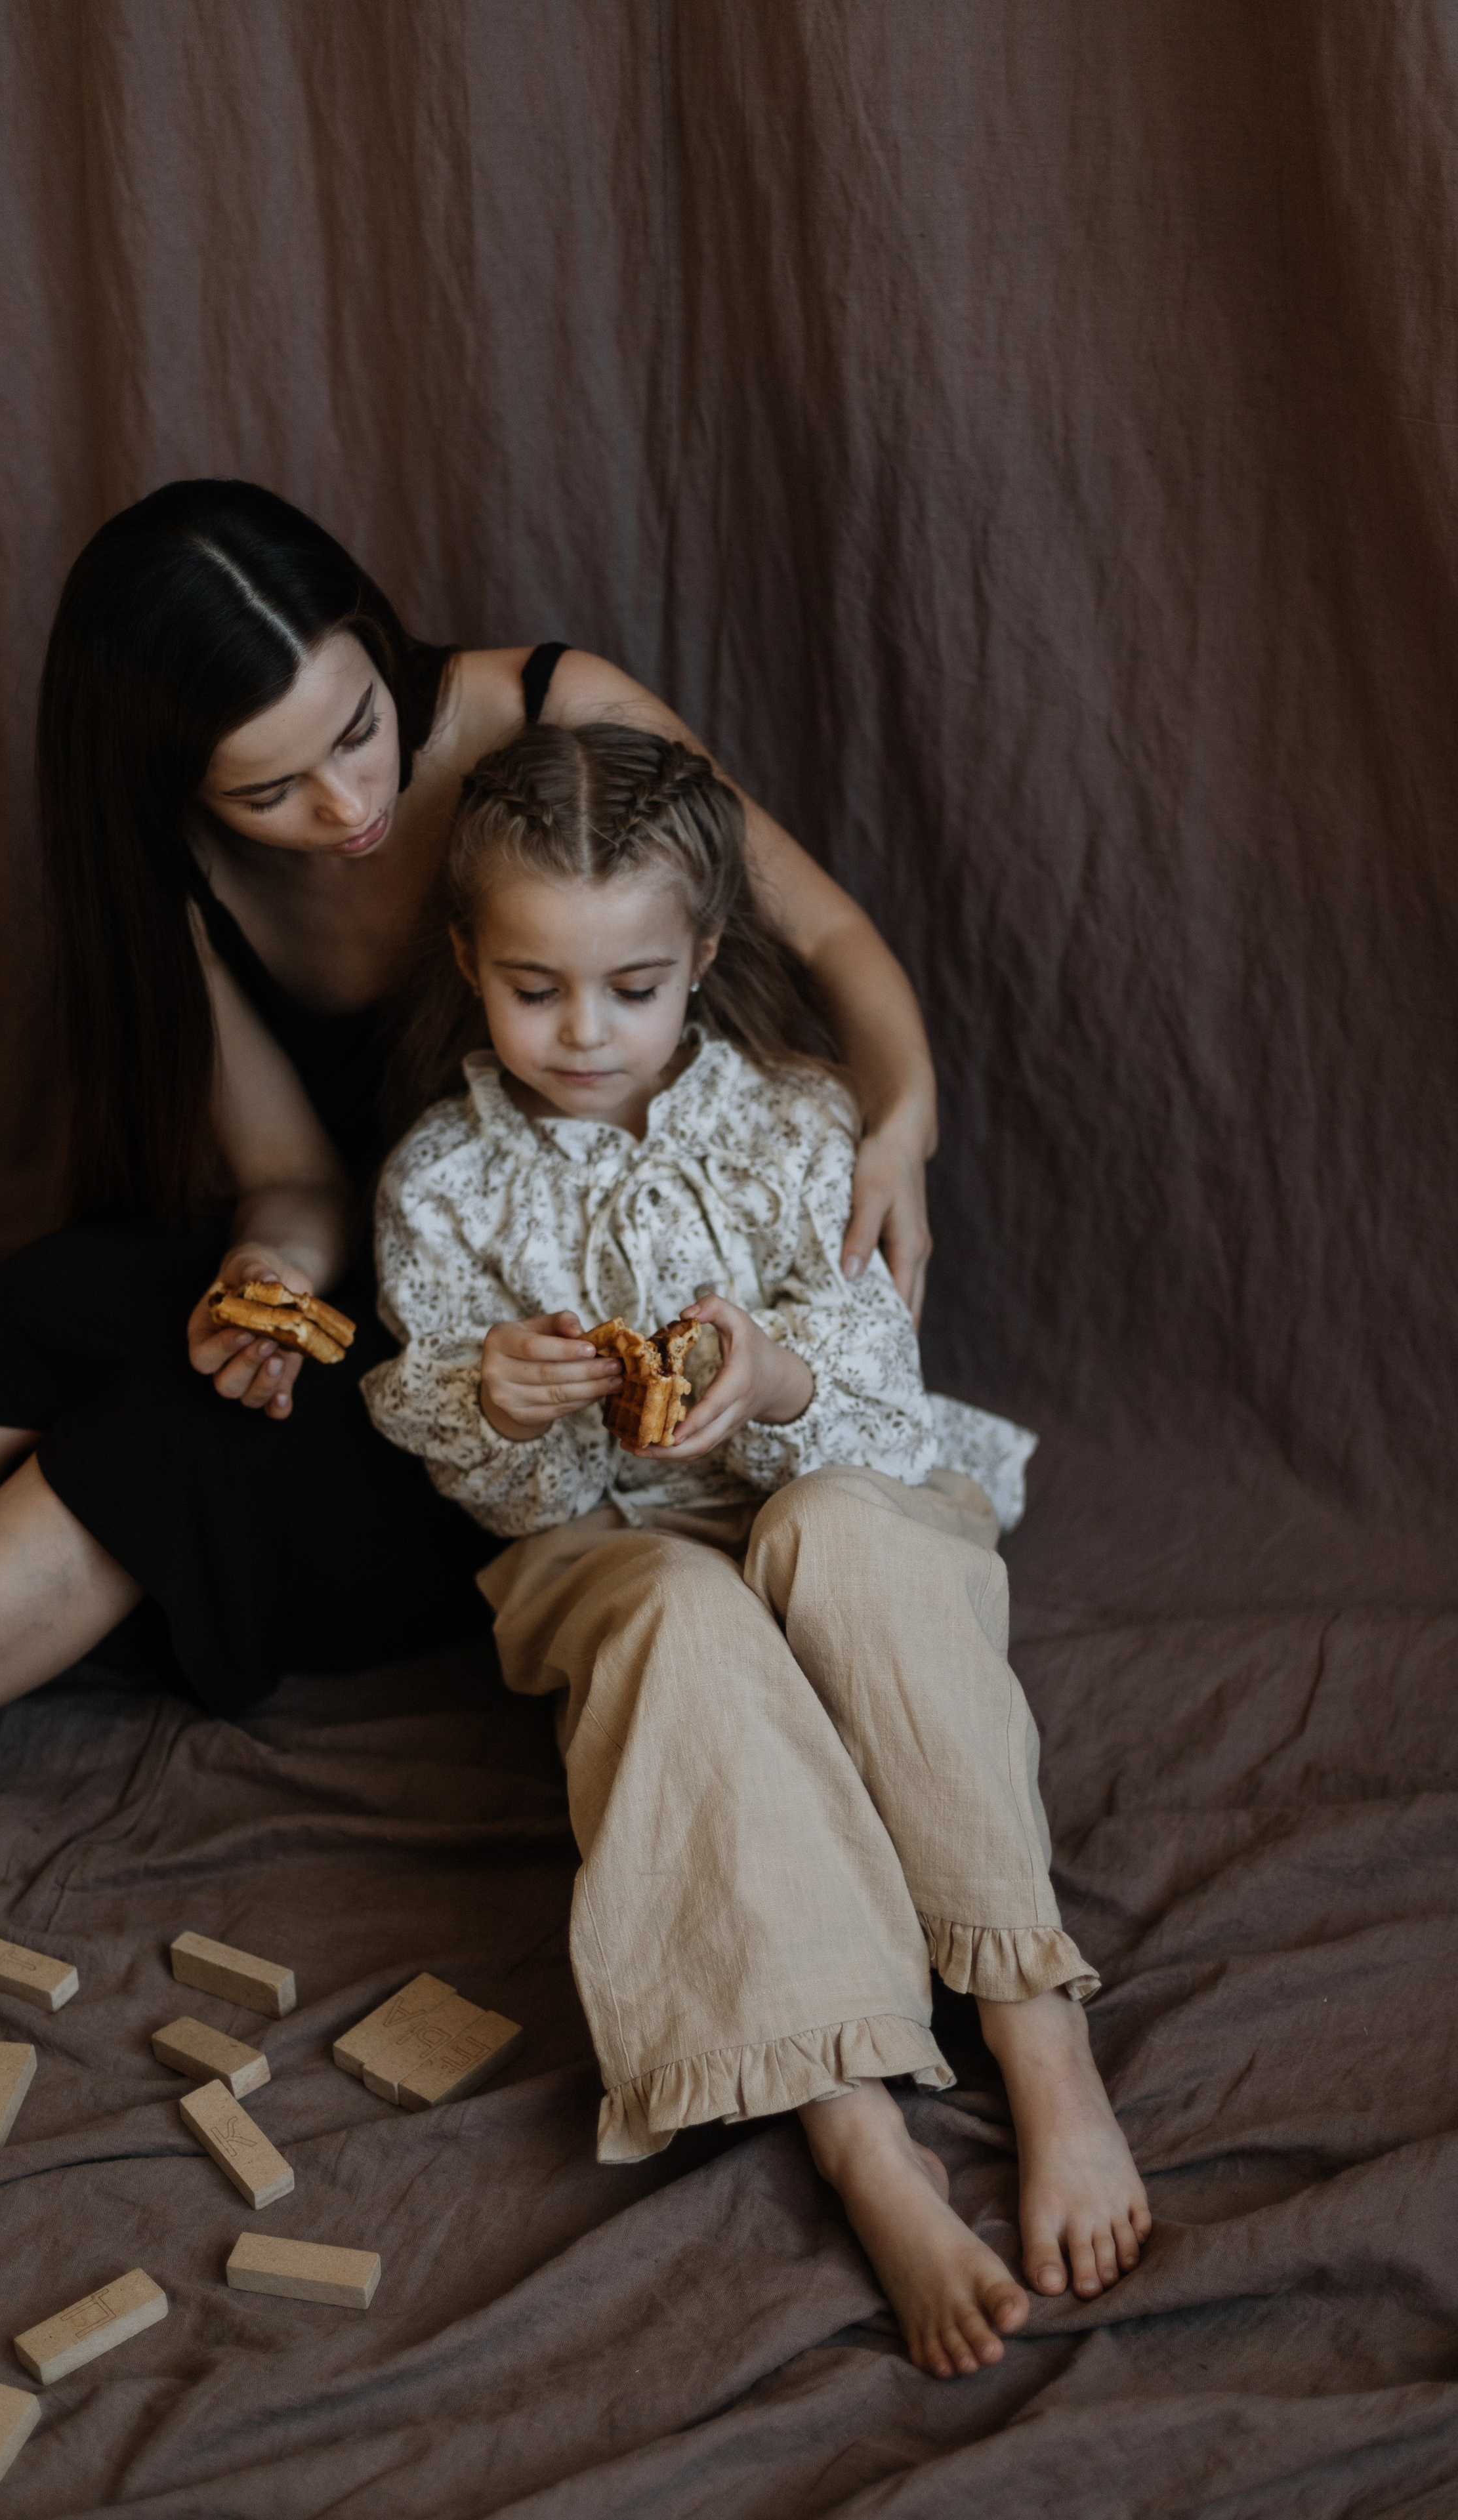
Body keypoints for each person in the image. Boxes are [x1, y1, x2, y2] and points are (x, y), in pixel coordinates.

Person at [0, 479, 938, 1790]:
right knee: (58, 1292)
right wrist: (264, 1276)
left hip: (522, 1361)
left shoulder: (553, 708)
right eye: (270, 789)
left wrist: (899, 1127)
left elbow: (830, 934)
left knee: (162, 1442)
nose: (344, 806)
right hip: (397, 1252)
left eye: (360, 731)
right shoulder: (176, 871)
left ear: (379, 645)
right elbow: (292, 1182)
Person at [361, 720, 1152, 2380]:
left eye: (632, 988)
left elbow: (878, 1387)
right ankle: (853, 2122)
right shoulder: (439, 1186)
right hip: (602, 1531)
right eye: (533, 989)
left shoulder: (797, 1127)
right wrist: (491, 1403)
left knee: (843, 1541)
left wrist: (776, 1375)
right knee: (671, 1622)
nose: (583, 1034)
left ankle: (1030, 2025)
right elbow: (478, 1492)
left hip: (834, 1483)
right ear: (466, 964)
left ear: (702, 962)